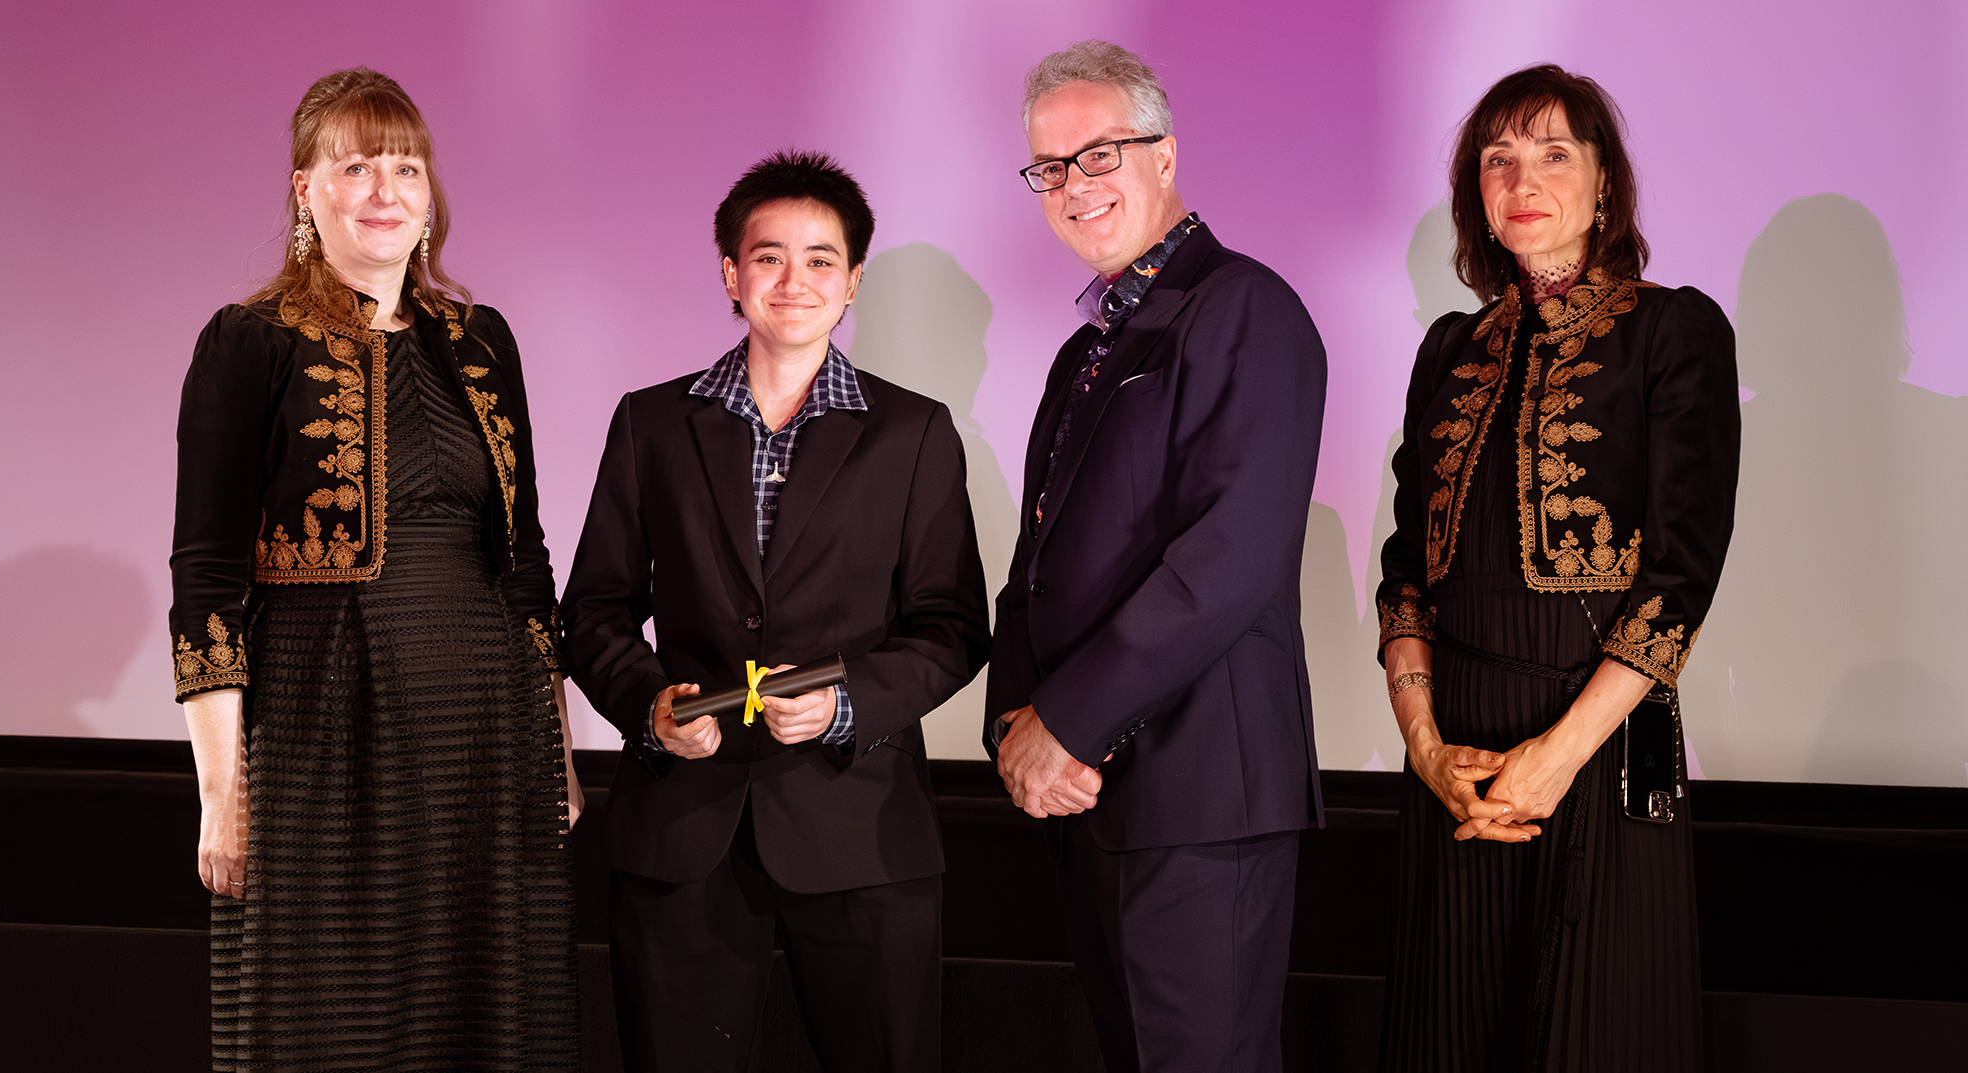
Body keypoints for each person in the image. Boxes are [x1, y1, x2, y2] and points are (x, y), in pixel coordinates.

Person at [168, 68, 580, 1069]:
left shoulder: (481, 341)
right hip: (324, 715)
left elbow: (524, 562)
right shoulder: (249, 340)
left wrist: (557, 742)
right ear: (306, 190)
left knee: (481, 1006)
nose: (386, 188)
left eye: (406, 165)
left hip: (482, 721)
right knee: (328, 1007)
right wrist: (223, 792)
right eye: (355, 165)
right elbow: (206, 573)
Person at [560, 150, 989, 1073]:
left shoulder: (912, 431)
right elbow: (591, 609)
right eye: (768, 257)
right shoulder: (652, 422)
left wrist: (847, 704)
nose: (794, 281)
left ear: (852, 281)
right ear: (730, 273)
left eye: (821, 259)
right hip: (682, 830)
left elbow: (952, 624)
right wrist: (650, 703)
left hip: (862, 826)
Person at [1373, 64, 1739, 1072]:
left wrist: (1555, 755)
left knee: (1593, 1038)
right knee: (1446, 1038)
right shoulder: (1449, 349)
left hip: (1597, 746)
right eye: (1497, 159)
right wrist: (1423, 745)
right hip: (1455, 761)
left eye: (1550, 153)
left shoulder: (1672, 331)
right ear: (1474, 197)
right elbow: (1405, 570)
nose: (1520, 178)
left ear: (1603, 186)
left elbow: (1679, 578)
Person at [984, 41, 1328, 1073]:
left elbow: (1229, 557)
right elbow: (1032, 560)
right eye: (1049, 166)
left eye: (1098, 154)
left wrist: (1068, 718)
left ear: (1164, 155)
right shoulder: (1084, 348)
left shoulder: (1242, 309)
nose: (1073, 186)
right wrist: (1015, 714)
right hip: (1093, 793)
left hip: (1196, 792)